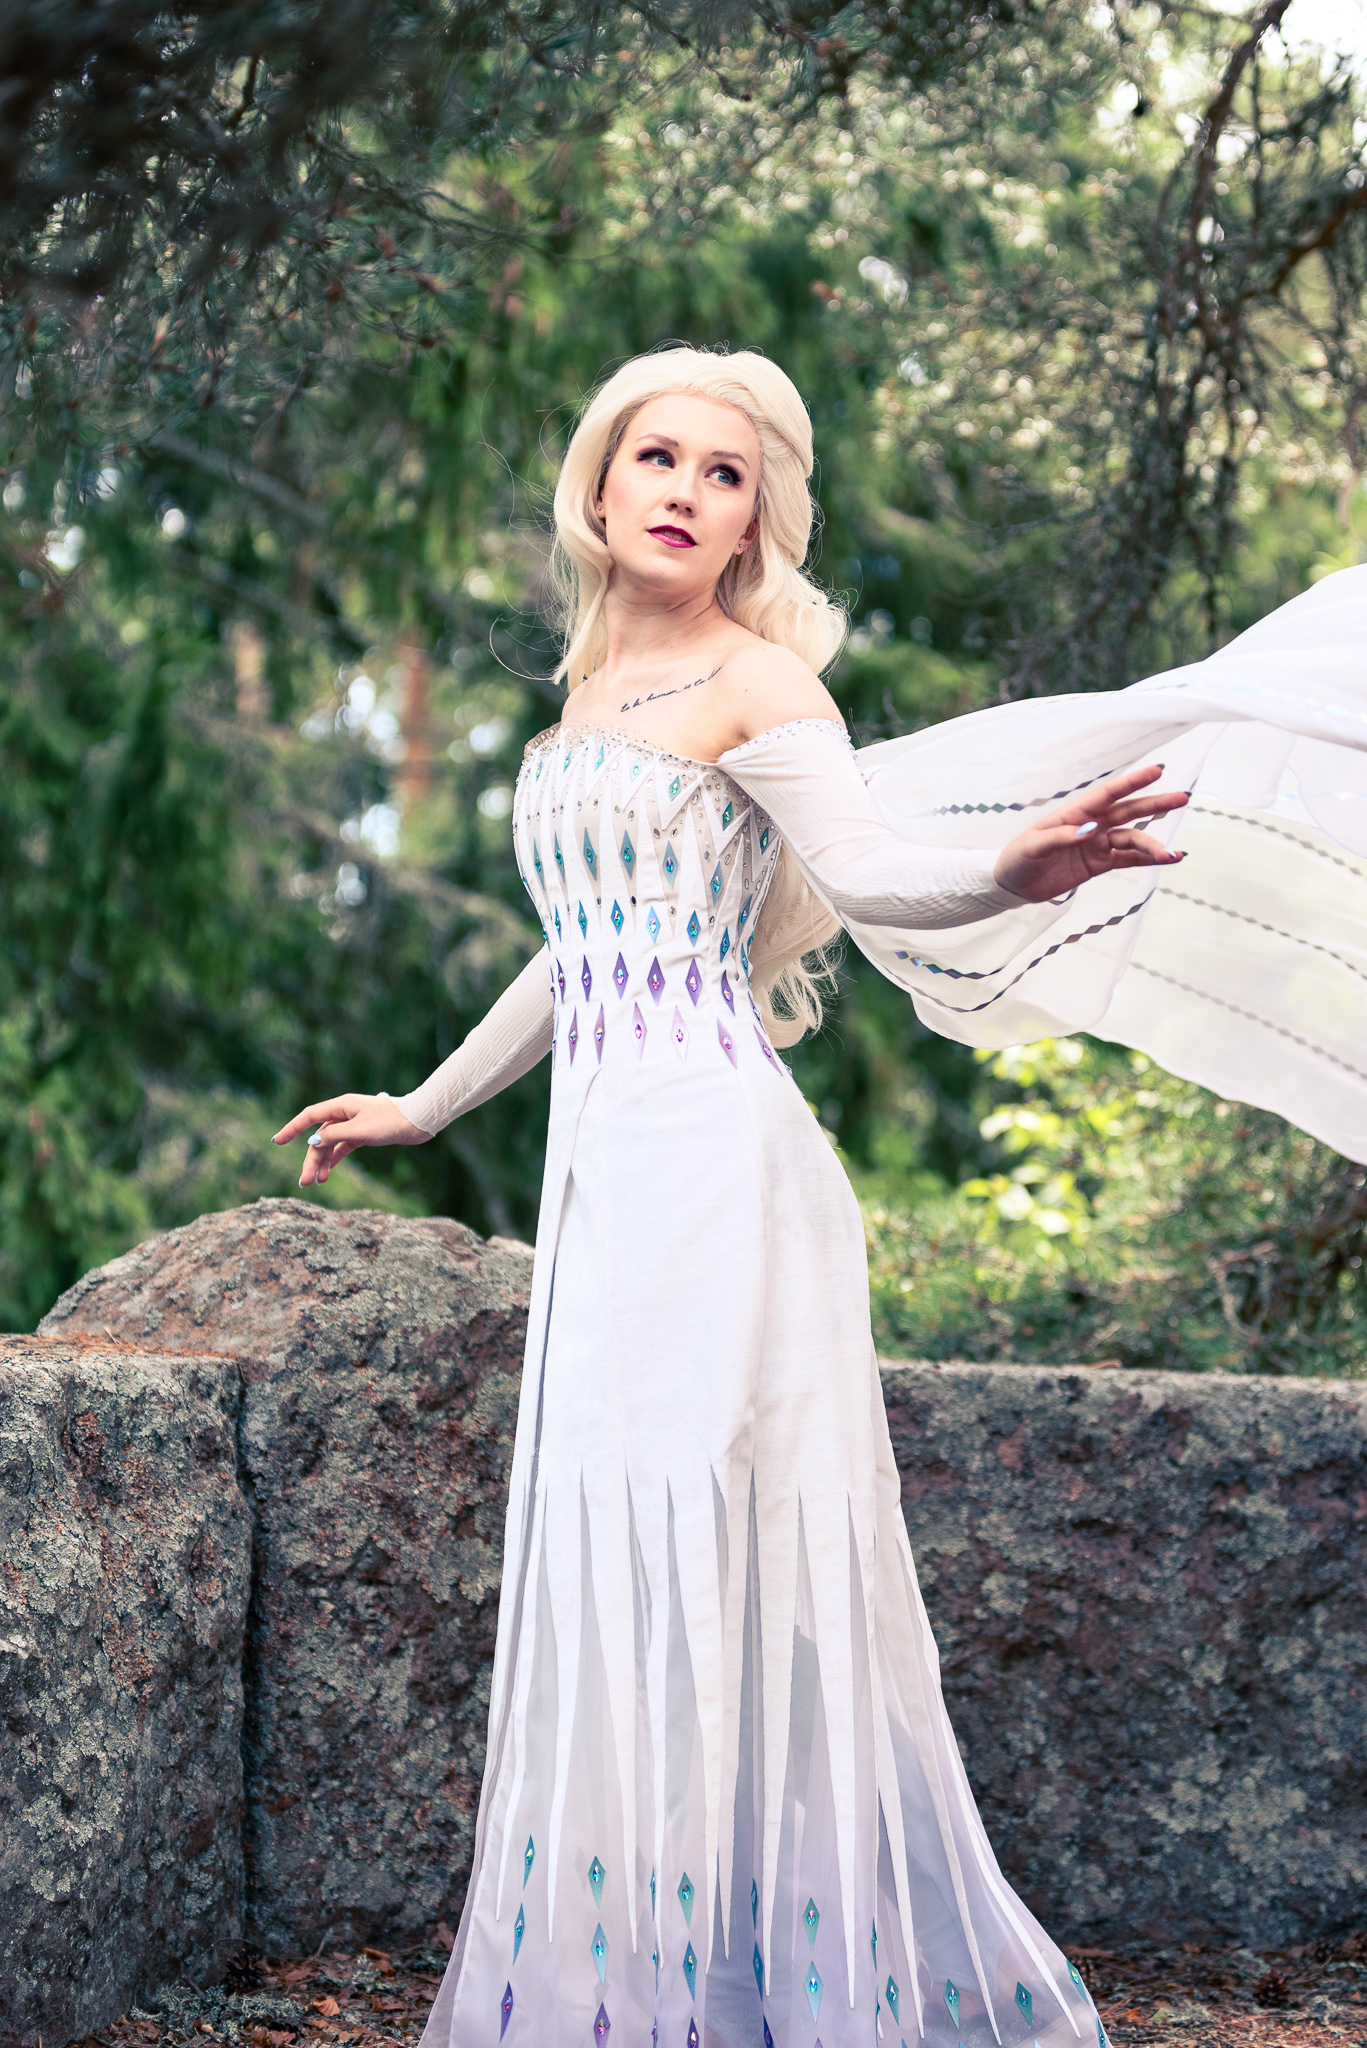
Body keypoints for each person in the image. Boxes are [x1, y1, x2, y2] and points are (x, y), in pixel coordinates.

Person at [274, 347, 1367, 2048]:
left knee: (710, 1541)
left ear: (753, 524)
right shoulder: (582, 705)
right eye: (658, 456)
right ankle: (636, 1983)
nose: (685, 490)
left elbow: (866, 873)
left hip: (722, 1169)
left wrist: (1012, 865)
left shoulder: (757, 686)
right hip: (610, 1176)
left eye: (725, 475)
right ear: (599, 481)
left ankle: (768, 1984)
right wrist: (420, 1105)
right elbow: (578, 957)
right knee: (615, 1533)